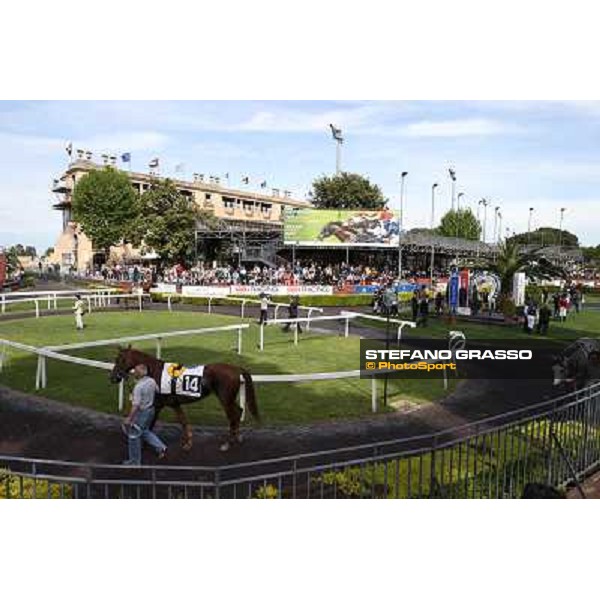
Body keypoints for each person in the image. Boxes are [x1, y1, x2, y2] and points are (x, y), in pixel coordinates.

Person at [122, 364, 167, 465]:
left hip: (141, 413)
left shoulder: (138, 387)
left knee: (133, 436)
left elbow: (136, 405)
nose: (134, 374)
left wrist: (129, 418)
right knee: (145, 431)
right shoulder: (151, 380)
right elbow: (157, 390)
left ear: (139, 374)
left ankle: (134, 461)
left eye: (136, 372)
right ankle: (161, 447)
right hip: (151, 411)